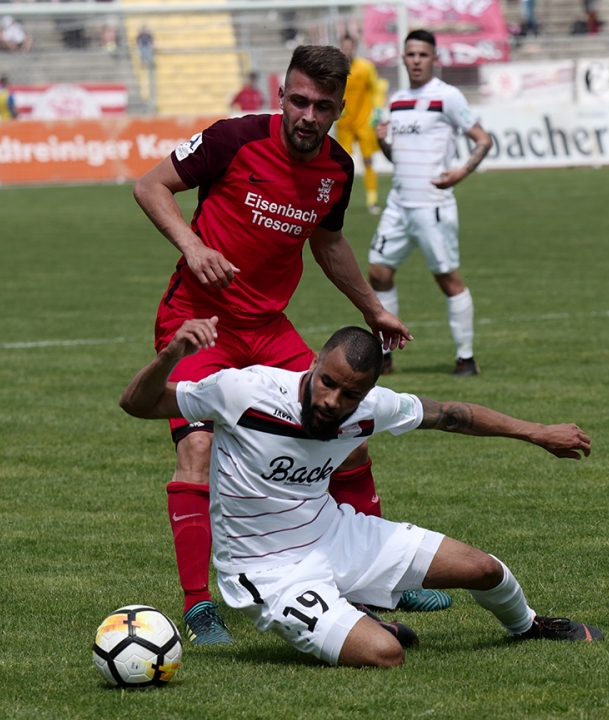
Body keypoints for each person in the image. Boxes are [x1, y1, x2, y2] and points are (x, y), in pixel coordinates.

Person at [133, 45, 451, 646]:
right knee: (197, 449)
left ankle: (375, 582)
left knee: (348, 435)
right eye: (298, 100)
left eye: (322, 106)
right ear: (282, 95)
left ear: (338, 108)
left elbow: (328, 245)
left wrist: (374, 309)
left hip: (267, 326)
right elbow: (150, 186)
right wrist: (193, 248)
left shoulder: (336, 168)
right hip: (198, 318)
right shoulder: (234, 139)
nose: (307, 114)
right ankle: (200, 606)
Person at [120, 319, 604, 667]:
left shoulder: (374, 407)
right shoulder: (244, 391)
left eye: (350, 394)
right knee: (385, 653)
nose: (333, 401)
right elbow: (136, 404)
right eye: (327, 382)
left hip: (335, 534)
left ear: (368, 390)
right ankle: (361, 621)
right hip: (266, 570)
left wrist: (537, 432)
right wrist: (170, 356)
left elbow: (453, 414)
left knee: (485, 569)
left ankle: (530, 627)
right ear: (312, 364)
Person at [369, 30, 493, 377]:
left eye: (423, 54)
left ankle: (466, 359)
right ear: (403, 58)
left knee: (447, 280)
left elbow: (483, 140)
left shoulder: (448, 97)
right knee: (378, 272)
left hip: (432, 205)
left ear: (434, 58)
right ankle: (386, 356)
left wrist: (460, 173)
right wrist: (383, 143)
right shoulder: (397, 100)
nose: (417, 60)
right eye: (411, 54)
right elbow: (399, 157)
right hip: (398, 203)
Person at [336, 35, 386, 215]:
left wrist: (378, 110)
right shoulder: (336, 69)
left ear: (354, 48)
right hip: (343, 122)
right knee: (340, 164)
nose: (347, 50)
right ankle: (339, 202)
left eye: (350, 47)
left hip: (364, 121)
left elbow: (376, 89)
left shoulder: (365, 67)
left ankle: (372, 201)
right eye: (344, 47)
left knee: (368, 160)